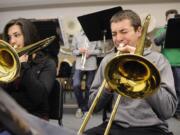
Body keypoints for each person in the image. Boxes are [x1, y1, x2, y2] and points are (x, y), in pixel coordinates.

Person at [85, 10, 177, 135]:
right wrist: (107, 88)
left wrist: (145, 80)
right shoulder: (108, 61)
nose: (118, 39)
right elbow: (92, 107)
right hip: (115, 125)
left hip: (151, 127)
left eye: (123, 32)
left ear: (139, 31)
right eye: (114, 34)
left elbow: (168, 111)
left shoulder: (159, 60)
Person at [2, 18, 57, 120]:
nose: (12, 41)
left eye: (16, 35)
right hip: (9, 116)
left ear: (28, 35)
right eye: (9, 37)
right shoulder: (9, 64)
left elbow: (39, 98)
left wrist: (24, 66)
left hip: (34, 119)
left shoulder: (47, 63)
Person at [154, 9, 180, 120]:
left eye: (175, 18)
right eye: (170, 19)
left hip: (179, 62)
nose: (172, 20)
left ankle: (177, 110)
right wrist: (170, 27)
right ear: (166, 19)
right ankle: (170, 109)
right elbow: (156, 41)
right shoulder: (161, 30)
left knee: (179, 88)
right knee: (168, 88)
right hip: (167, 63)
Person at [71, 29, 101, 118]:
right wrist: (80, 51)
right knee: (76, 84)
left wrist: (90, 52)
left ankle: (86, 109)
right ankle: (81, 107)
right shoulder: (77, 35)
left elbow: (99, 51)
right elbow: (72, 51)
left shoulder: (95, 35)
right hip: (79, 65)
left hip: (91, 65)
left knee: (89, 87)